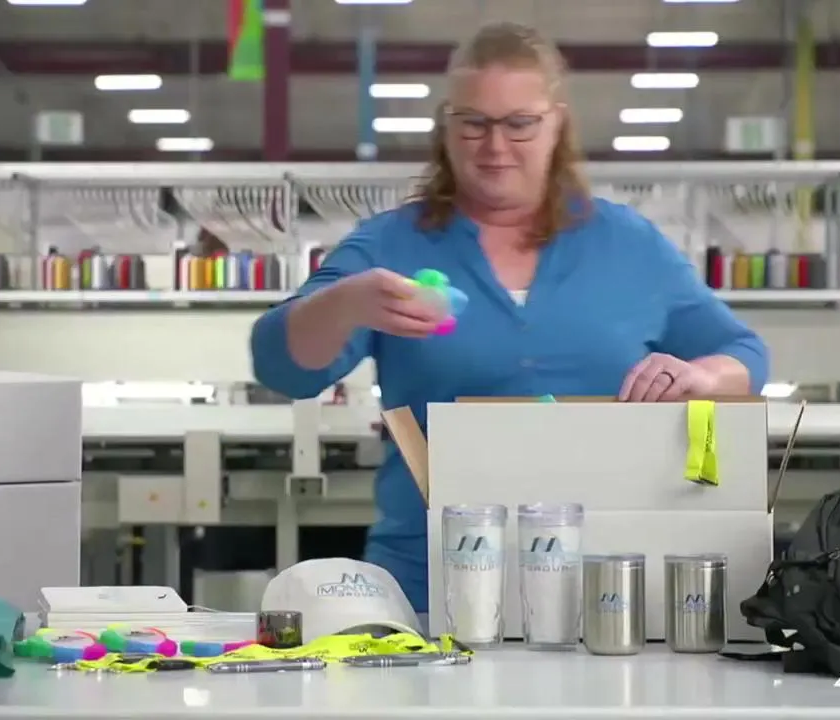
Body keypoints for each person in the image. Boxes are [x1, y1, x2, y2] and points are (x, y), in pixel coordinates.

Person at [249, 21, 769, 613]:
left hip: (611, 590)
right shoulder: (390, 246)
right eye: (473, 123)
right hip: (429, 585)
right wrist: (344, 304)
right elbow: (281, 366)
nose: (495, 148)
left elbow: (745, 355)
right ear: (446, 126)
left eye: (519, 123)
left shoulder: (629, 245)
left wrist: (703, 376)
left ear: (557, 123)